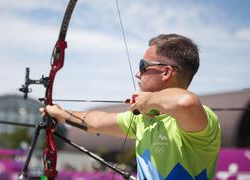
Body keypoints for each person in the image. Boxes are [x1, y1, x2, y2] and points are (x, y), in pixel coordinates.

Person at [40, 34, 221, 179]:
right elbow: (96, 121)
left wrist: (147, 100)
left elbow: (185, 102)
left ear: (166, 72)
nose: (137, 73)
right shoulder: (143, 118)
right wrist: (60, 114)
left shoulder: (202, 119)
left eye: (143, 66)